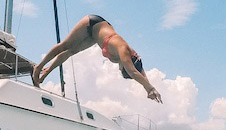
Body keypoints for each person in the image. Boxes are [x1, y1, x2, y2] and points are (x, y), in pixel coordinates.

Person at [32, 14, 162, 103]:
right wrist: (150, 89)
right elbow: (134, 72)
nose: (120, 68)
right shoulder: (123, 51)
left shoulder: (134, 61)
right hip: (93, 23)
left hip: (95, 37)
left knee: (70, 52)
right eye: (122, 69)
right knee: (65, 46)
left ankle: (44, 74)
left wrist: (149, 89)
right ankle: (39, 67)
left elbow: (139, 73)